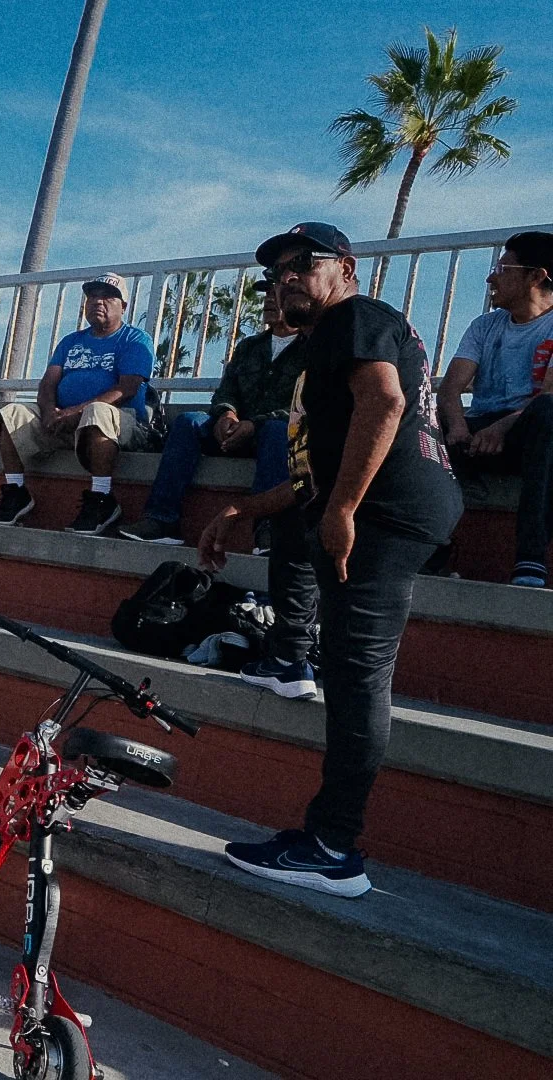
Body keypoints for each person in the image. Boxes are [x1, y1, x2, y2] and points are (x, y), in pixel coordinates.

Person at [199, 222, 462, 898]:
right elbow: (310, 475)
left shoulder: (353, 317)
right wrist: (242, 511)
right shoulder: (329, 341)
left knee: (355, 677)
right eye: (276, 270)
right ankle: (328, 834)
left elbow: (386, 402)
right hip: (396, 505)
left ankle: (332, 848)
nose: (286, 276)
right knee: (349, 667)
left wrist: (342, 511)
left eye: (302, 262)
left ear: (344, 266)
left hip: (386, 511)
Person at [122, 283, 303, 548]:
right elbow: (226, 391)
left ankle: (269, 531)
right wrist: (226, 414)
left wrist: (254, 425)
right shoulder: (249, 347)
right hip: (233, 431)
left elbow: (306, 404)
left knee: (276, 430)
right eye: (266, 295)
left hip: (272, 435)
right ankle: (161, 520)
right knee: (188, 422)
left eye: (277, 294)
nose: (269, 300)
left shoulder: (313, 348)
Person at [0, 272, 154, 534]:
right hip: (65, 420)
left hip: (117, 422)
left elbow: (127, 388)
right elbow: (48, 383)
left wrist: (76, 411)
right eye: (93, 296)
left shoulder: (135, 339)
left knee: (97, 411)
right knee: (12, 413)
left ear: (123, 306)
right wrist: (48, 411)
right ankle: (16, 492)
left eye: (108, 297)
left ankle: (102, 499)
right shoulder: (71, 341)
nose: (98, 301)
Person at [436, 231, 553, 587]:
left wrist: (502, 428)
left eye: (502, 269)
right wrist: (458, 428)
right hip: (476, 432)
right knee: (414, 419)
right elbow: (450, 390)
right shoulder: (484, 326)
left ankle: (530, 560)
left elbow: (549, 394)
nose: (491, 278)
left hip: (528, 432)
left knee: (549, 412)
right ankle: (429, 549)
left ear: (536, 276)